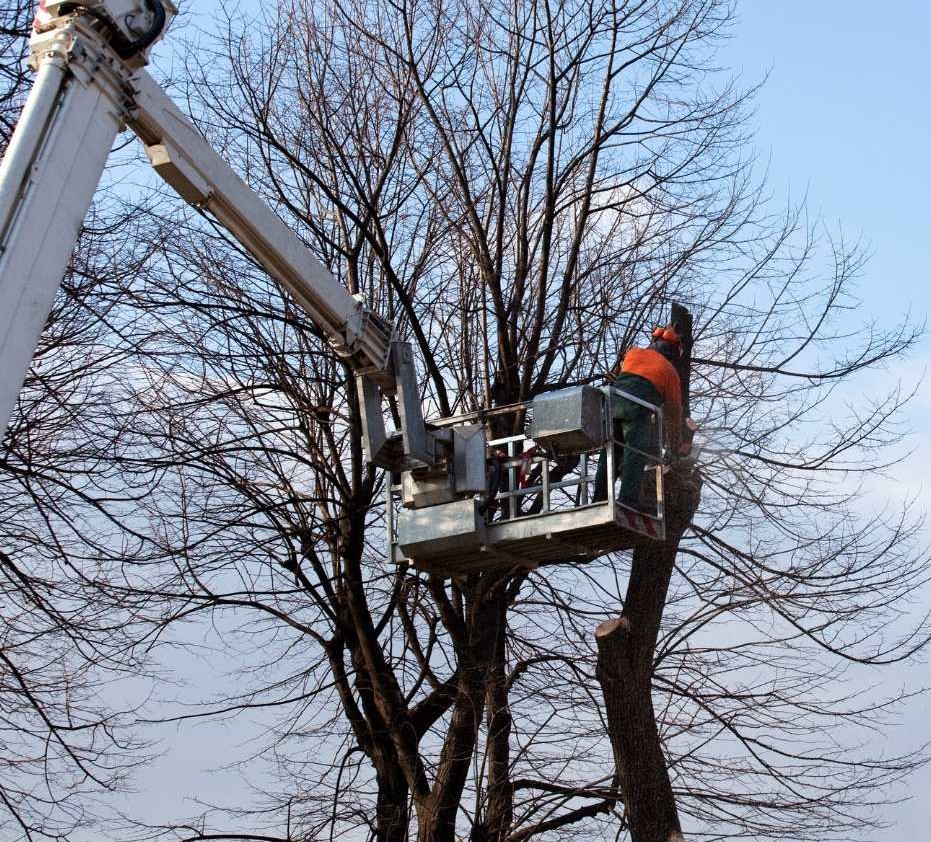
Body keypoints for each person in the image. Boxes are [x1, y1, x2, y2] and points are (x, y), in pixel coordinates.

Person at [594, 325, 686, 512]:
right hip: (636, 410)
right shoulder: (670, 372)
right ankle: (628, 499)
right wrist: (673, 444)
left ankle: (599, 498)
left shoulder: (633, 353)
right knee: (635, 453)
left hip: (612, 406)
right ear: (673, 354)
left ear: (654, 343)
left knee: (610, 452)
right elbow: (674, 412)